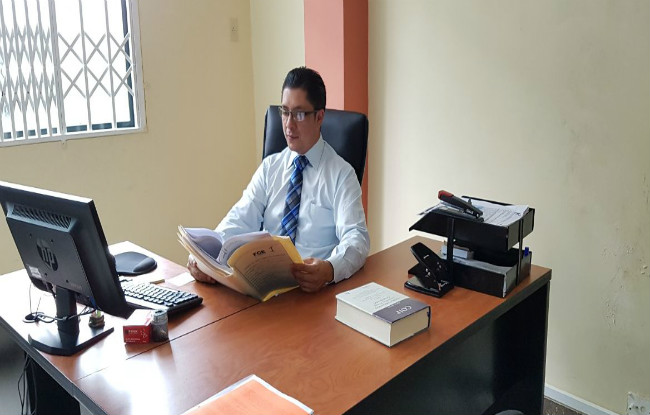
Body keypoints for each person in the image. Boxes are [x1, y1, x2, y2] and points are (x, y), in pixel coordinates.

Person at [188, 67, 369, 292]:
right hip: (263, 287)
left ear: (319, 117)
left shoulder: (341, 174)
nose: (289, 124)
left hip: (311, 293)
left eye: (299, 114)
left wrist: (330, 269)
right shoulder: (270, 168)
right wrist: (206, 256)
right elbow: (239, 219)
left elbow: (357, 238)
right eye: (285, 112)